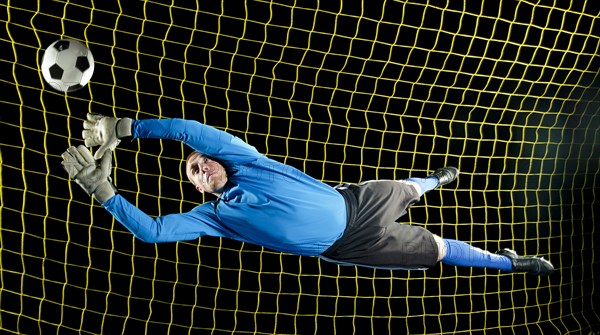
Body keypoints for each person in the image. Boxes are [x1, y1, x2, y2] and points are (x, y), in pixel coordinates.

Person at [61, 114, 554, 275]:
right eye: (193, 171)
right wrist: (103, 190)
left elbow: (191, 131)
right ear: (195, 185)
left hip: (356, 202)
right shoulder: (215, 217)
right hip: (349, 246)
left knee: (408, 187)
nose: (201, 165)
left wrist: (127, 128)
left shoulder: (246, 161)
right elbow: (152, 231)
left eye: (201, 159)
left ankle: (437, 180)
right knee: (438, 249)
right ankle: (512, 262)